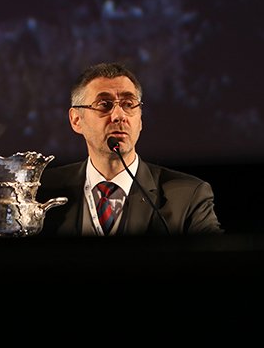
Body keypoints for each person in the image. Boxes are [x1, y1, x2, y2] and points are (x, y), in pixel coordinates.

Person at [37, 62, 222, 237]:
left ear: (140, 119)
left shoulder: (188, 196)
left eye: (128, 104)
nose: (119, 115)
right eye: (104, 104)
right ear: (76, 120)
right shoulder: (43, 191)